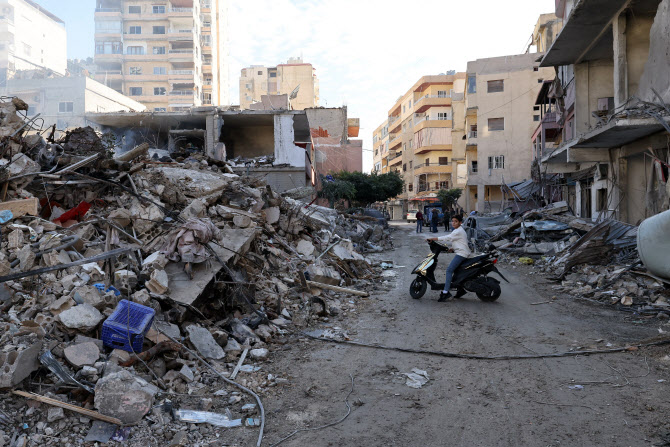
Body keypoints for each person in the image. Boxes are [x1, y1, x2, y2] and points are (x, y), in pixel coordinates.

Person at [427, 214, 471, 302]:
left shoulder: (458, 231)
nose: (453, 223)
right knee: (457, 272)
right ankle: (460, 290)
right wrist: (453, 248)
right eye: (453, 221)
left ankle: (445, 292)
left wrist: (434, 238)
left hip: (461, 254)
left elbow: (447, 237)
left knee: (449, 270)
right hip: (462, 252)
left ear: (460, 223)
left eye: (456, 221)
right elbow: (460, 242)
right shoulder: (459, 230)